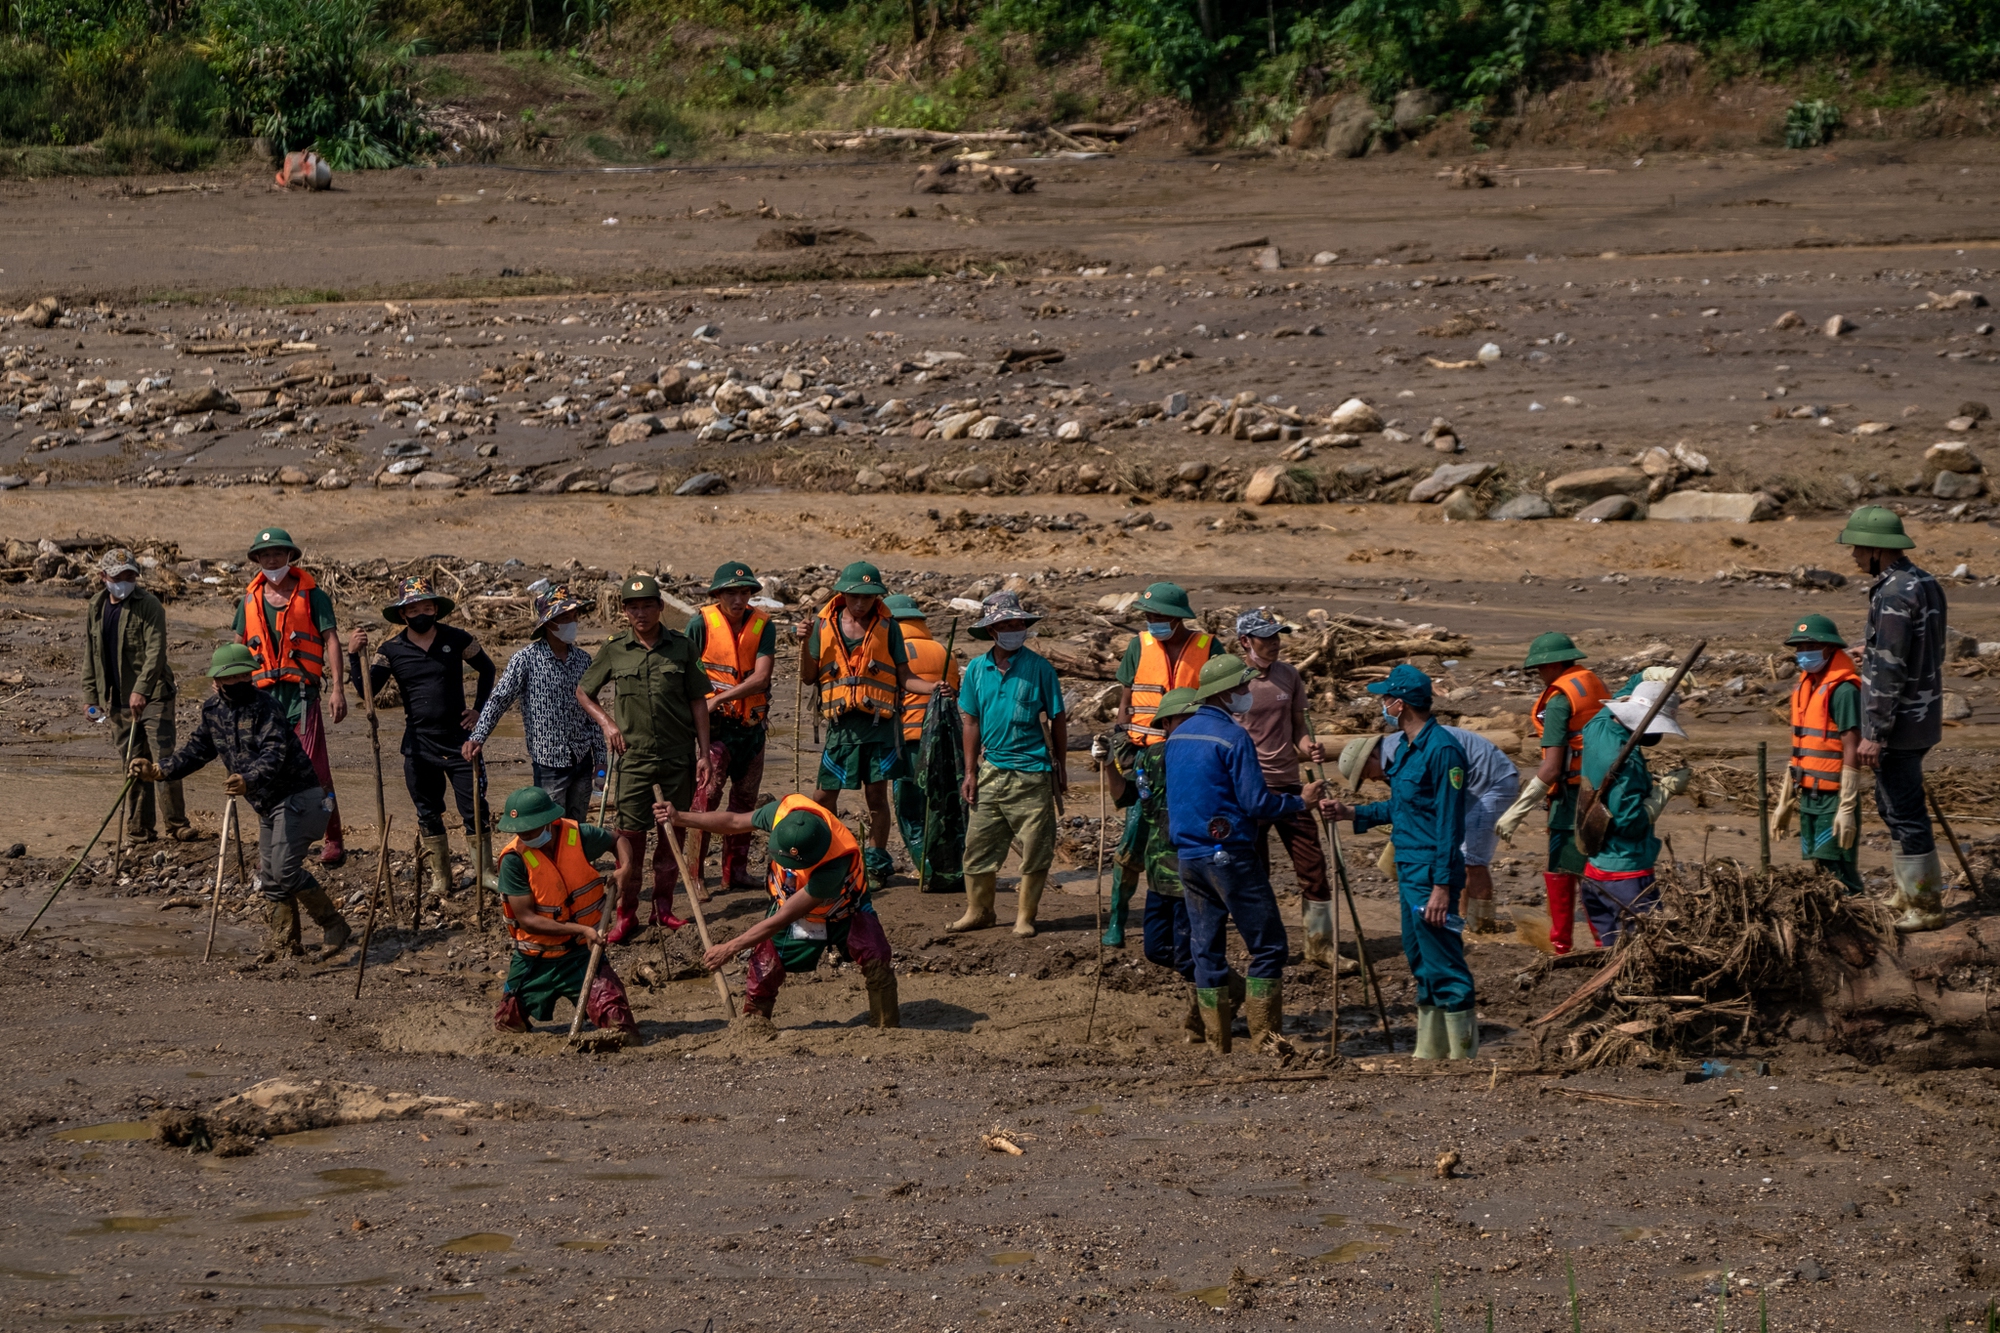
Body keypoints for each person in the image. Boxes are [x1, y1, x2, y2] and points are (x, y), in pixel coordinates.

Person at [131, 644, 349, 961]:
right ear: (215, 683)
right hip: (267, 806)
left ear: (251, 676)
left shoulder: (267, 708)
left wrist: (248, 779)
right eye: (229, 679)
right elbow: (194, 752)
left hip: (300, 796)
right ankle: (286, 945)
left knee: (285, 872)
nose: (237, 684)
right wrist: (157, 771)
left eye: (243, 676)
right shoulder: (213, 712)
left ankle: (335, 926)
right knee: (271, 878)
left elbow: (274, 754)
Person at [1164, 654, 1325, 1054]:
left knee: (1206, 947)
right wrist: (1299, 803)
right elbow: (1256, 804)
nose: (1246, 694)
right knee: (1269, 946)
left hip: (1189, 856)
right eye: (1242, 688)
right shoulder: (1234, 738)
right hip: (1229, 855)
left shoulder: (1178, 736)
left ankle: (1217, 1042)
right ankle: (1265, 1037)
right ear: (1226, 693)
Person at [1325, 665, 1475, 1060]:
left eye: (1385, 698)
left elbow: (1448, 822)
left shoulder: (1442, 751)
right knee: (1419, 959)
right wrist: (1351, 814)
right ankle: (1429, 1053)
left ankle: (1463, 1059)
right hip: (1410, 869)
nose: (1381, 706)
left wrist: (1442, 886)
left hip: (1430, 872)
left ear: (1401, 703)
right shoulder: (1408, 749)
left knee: (1444, 963)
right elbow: (1403, 807)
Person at [660, 791, 899, 1030]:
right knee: (764, 969)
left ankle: (885, 1028)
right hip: (789, 898)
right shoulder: (783, 813)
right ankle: (753, 1029)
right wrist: (680, 817)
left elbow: (781, 920)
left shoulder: (834, 864)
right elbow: (733, 822)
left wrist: (730, 947)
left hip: (846, 909)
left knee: (877, 958)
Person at [576, 573, 713, 943]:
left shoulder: (682, 648)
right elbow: (584, 692)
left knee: (672, 838)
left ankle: (664, 910)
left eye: (647, 605)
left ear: (660, 607)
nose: (640, 613)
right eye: (633, 607)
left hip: (677, 759)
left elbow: (699, 701)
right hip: (634, 761)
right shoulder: (615, 648)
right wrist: (607, 724)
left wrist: (704, 754)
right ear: (624, 611)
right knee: (629, 841)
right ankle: (627, 913)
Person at [800, 561, 946, 892]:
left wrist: (934, 687)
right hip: (842, 727)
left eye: (868, 596)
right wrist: (803, 643)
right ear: (843, 595)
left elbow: (905, 678)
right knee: (823, 795)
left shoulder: (888, 627)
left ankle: (877, 861)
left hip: (880, 726)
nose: (862, 603)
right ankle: (832, 854)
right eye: (856, 596)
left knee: (876, 796)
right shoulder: (823, 627)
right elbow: (809, 676)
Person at [349, 577, 497, 901]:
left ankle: (485, 873)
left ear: (436, 610)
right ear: (403, 614)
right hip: (419, 744)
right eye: (414, 608)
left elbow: (488, 669)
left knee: (474, 807)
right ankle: (441, 878)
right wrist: (352, 657)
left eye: (427, 607)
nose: (421, 613)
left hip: (461, 742)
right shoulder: (390, 650)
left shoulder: (457, 639)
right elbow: (368, 693)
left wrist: (479, 712)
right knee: (428, 811)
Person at [1840, 505, 1949, 931]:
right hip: (1924, 715)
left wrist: (1875, 733)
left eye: (1855, 548)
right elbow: (1918, 647)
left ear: (1874, 550)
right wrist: (1870, 652)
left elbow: (1890, 670)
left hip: (1900, 723)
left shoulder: (1892, 593)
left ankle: (1925, 905)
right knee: (1891, 805)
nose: (1851, 557)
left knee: (1904, 811)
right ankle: (1907, 892)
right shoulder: (1924, 582)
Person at [948, 592, 1068, 937]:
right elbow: (970, 722)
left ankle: (1024, 917)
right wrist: (970, 773)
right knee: (977, 846)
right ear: (992, 630)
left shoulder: (1039, 669)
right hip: (992, 770)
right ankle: (978, 911)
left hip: (1033, 773)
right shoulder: (976, 670)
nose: (1014, 629)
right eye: (1006, 624)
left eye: (1019, 624)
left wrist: (1059, 766)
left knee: (1035, 849)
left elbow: (1056, 718)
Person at [1106, 582, 1213, 947]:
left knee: (1187, 842)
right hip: (1144, 755)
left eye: (1160, 617)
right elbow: (1126, 698)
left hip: (1191, 756)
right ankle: (1117, 920)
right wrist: (1118, 737)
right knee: (1133, 839)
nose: (1153, 622)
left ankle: (1196, 920)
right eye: (1149, 616)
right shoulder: (1140, 645)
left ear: (1178, 617)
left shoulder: (1208, 647)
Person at [234, 525, 348, 865]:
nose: (271, 560)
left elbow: (331, 640)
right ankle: (278, 836)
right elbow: (237, 649)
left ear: (289, 557)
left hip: (302, 695)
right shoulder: (249, 601)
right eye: (265, 555)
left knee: (315, 770)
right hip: (261, 700)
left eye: (277, 554)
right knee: (266, 770)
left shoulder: (313, 596)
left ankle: (333, 837)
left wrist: (338, 688)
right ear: (257, 559)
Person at [1340, 719, 1520, 934]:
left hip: (1492, 782)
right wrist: (1355, 813)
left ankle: (1481, 927)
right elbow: (1410, 806)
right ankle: (1466, 922)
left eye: (1367, 774)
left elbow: (1426, 804)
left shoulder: (1406, 752)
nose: (1374, 779)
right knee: (1460, 855)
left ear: (1372, 755)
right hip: (1467, 785)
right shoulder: (1394, 759)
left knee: (1472, 859)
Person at [1094, 686, 1202, 1041]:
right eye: (1175, 721)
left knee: (1190, 955)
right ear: (1167, 725)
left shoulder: (1208, 757)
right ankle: (1218, 984)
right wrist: (1108, 762)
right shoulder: (1152, 758)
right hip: (1159, 874)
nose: (1180, 727)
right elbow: (1126, 796)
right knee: (1156, 949)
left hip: (1192, 871)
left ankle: (1203, 1017)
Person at [490, 785, 638, 1038]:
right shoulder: (515, 860)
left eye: (529, 828)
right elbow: (527, 920)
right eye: (519, 830)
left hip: (582, 954)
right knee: (508, 1026)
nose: (523, 835)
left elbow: (618, 840)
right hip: (535, 959)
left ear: (548, 821)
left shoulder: (578, 836)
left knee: (620, 1026)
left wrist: (626, 867)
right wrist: (581, 929)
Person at [1495, 632, 1610, 955]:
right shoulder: (1591, 683)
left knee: (1565, 867)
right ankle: (1603, 941)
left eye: (1541, 668)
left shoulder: (1559, 701)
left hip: (1573, 798)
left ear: (1555, 664)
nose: (1539, 675)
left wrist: (1516, 812)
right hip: (1602, 788)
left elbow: (1551, 767)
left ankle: (1565, 947)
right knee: (1594, 869)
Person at [1231, 609, 1334, 964]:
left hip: (1291, 786)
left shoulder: (1288, 676)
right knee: (1255, 871)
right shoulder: (1233, 680)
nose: (1274, 643)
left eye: (1277, 636)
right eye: (1266, 638)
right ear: (1246, 642)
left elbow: (1297, 727)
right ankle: (1263, 948)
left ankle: (1319, 946)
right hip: (1249, 790)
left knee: (1313, 866)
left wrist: (1309, 747)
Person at [466, 585, 604, 823]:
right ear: (548, 624)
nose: (571, 622)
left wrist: (601, 758)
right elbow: (499, 699)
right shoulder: (525, 660)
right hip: (550, 762)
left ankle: (573, 861)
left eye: (573, 616)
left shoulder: (583, 660)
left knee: (577, 825)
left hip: (582, 757)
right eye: (564, 617)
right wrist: (478, 737)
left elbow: (593, 712)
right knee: (551, 824)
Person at [84, 548, 194, 843]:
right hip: (118, 699)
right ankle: (140, 827)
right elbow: (91, 655)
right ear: (103, 577)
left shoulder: (149, 605)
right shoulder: (96, 606)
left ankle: (176, 824)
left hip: (155, 695)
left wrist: (141, 690)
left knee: (163, 760)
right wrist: (91, 696)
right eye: (119, 576)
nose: (125, 580)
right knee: (133, 762)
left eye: (131, 574)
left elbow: (155, 653)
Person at [1575, 680, 1692, 948]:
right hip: (1625, 876)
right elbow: (1630, 822)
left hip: (1594, 871)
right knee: (1647, 948)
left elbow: (1611, 707)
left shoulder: (1596, 727)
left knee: (1610, 949)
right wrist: (1665, 791)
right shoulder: (1627, 764)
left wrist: (1643, 677)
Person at [686, 561, 778, 892]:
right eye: (730, 593)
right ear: (718, 595)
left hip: (752, 728)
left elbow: (762, 677)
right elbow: (685, 674)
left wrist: (721, 698)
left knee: (745, 800)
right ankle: (695, 874)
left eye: (743, 593)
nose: (738, 600)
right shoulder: (700, 625)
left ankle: (734, 871)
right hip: (715, 730)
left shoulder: (763, 626)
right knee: (707, 796)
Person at [1770, 614, 1866, 897]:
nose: (1802, 653)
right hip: (1808, 795)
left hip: (1833, 797)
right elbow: (1801, 749)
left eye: (1809, 645)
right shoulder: (1806, 686)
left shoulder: (1844, 690)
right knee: (1820, 865)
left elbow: (1853, 747)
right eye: (1798, 648)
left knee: (1838, 867)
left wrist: (1846, 807)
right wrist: (1785, 802)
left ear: (1829, 648)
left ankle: (1857, 916)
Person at [885, 594, 964, 896]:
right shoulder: (945, 653)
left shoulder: (892, 651)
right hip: (942, 745)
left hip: (906, 743)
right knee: (941, 811)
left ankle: (930, 872)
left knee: (910, 814)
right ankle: (953, 869)